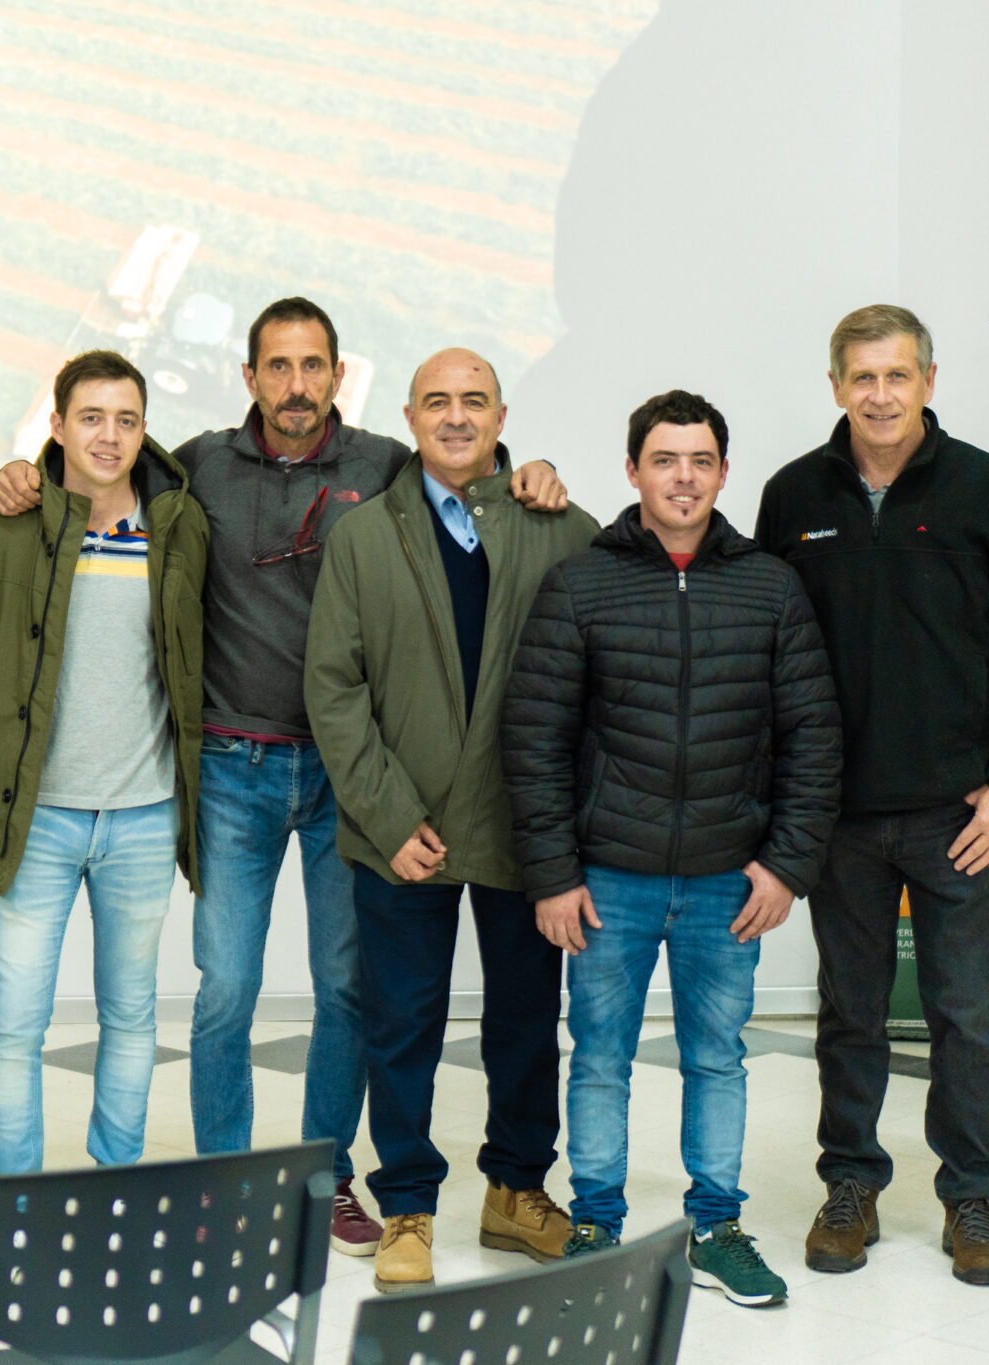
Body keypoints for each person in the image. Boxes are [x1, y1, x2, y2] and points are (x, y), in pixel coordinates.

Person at [0, 298, 566, 1255]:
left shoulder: (385, 464)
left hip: (348, 772)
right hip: (231, 766)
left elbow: (466, 475)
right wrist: (26, 470)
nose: (296, 385)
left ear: (339, 375)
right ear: (249, 376)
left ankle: (321, 1176)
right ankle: (225, 1177)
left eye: (313, 366)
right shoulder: (201, 465)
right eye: (278, 367)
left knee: (346, 986)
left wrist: (522, 468)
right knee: (226, 986)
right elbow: (98, 471)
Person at [755, 305, 989, 1287]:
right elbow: (765, 656)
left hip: (958, 818)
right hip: (838, 816)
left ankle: (971, 1198)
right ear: (835, 387)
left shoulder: (986, 490)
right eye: (863, 377)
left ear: (929, 381)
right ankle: (849, 1184)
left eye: (897, 375)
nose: (881, 395)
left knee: (965, 1016)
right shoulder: (792, 496)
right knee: (848, 1012)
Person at [503, 389, 842, 1307]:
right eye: (664, 459)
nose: (683, 477)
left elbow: (813, 736)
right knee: (599, 1056)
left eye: (700, 461)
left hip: (729, 878)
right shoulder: (581, 583)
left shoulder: (770, 585)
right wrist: (552, 874)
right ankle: (595, 1225)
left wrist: (787, 863)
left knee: (717, 1057)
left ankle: (716, 1228)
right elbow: (534, 739)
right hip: (607, 878)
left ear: (723, 473)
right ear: (633, 471)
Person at [304, 348, 596, 1293]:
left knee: (526, 1020)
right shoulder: (362, 536)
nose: (457, 416)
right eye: (438, 401)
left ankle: (517, 1191)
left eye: (475, 401)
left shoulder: (560, 528)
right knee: (402, 1025)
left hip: (521, 826)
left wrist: (562, 828)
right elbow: (334, 688)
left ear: (502, 416)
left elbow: (602, 670)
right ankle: (408, 1206)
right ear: (410, 418)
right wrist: (390, 815)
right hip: (402, 835)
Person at [0, 350, 208, 1172]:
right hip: (35, 816)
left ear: (144, 431)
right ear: (58, 424)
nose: (109, 436)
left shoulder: (178, 526)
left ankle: (117, 1186)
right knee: (14, 1025)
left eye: (127, 420)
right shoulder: (3, 520)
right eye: (92, 417)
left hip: (143, 815)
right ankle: (14, 1198)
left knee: (131, 1018)